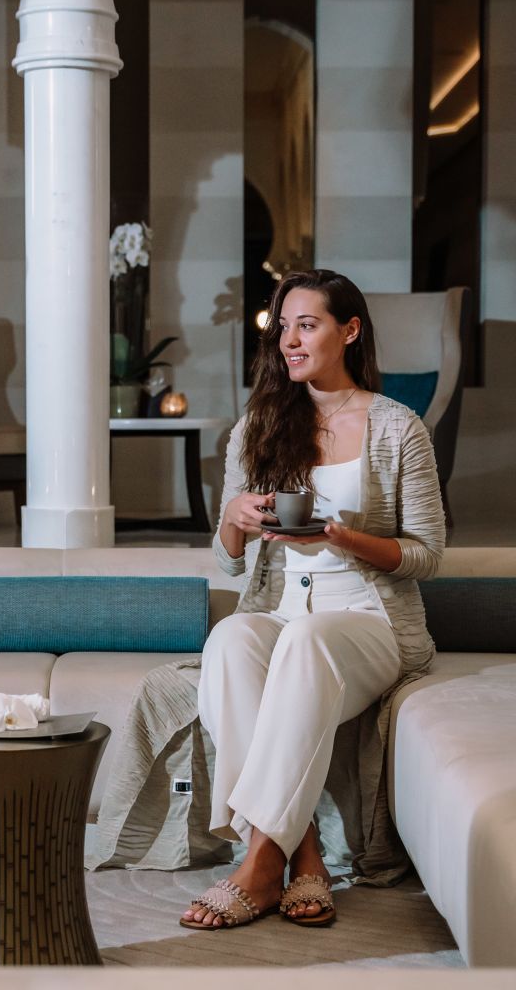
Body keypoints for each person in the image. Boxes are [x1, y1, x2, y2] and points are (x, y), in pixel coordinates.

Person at [180, 268, 445, 930]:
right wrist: (235, 523)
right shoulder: (258, 427)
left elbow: (425, 555)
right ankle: (303, 855)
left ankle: (258, 862)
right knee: (232, 639)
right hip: (279, 610)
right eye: (283, 327)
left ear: (349, 331)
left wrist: (343, 537)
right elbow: (226, 559)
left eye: (309, 325)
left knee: (304, 640)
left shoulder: (397, 427)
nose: (290, 341)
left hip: (368, 620)